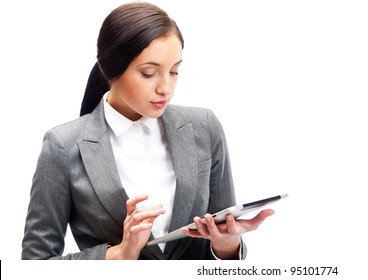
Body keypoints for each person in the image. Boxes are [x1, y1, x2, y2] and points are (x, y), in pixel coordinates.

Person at [21, 2, 274, 260]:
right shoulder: (63, 145)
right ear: (111, 69)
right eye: (149, 73)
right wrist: (119, 254)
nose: (165, 87)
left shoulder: (204, 127)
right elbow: (35, 263)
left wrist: (228, 243)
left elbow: (221, 241)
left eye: (174, 71)